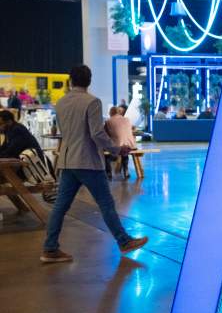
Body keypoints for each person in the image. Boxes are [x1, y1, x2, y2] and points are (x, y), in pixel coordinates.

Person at [41, 65, 148, 263]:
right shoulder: (92, 102)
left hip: (68, 160)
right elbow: (97, 134)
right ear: (89, 80)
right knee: (106, 203)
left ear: (71, 81)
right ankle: (124, 241)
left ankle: (50, 248)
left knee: (60, 206)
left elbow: (64, 131)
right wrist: (117, 149)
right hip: (88, 161)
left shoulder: (61, 102)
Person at [104, 106, 136, 180]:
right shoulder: (127, 119)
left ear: (111, 113)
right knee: (124, 152)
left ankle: (108, 173)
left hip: (118, 146)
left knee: (106, 155)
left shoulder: (108, 121)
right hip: (130, 145)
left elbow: (105, 135)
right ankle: (126, 171)